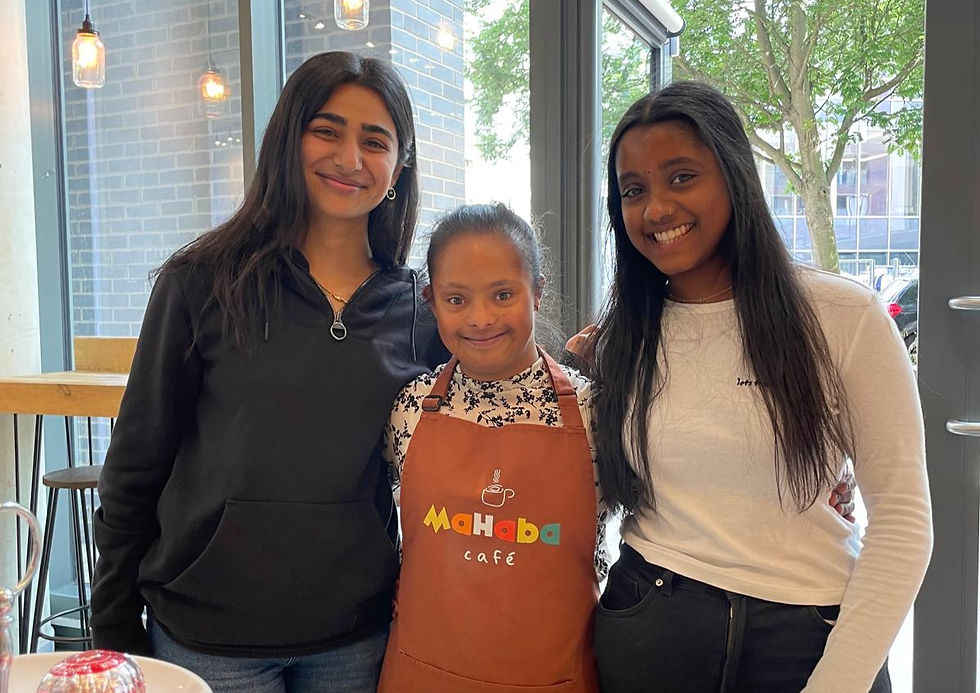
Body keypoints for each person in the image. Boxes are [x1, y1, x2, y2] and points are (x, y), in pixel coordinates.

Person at [91, 51, 446, 692]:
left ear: (400, 166)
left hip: (356, 635)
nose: (349, 158)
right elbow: (137, 464)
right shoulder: (201, 282)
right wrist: (113, 624)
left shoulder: (420, 307)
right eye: (327, 130)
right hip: (208, 638)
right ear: (288, 139)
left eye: (375, 141)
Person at [585, 81, 932, 692]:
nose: (656, 208)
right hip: (652, 624)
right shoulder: (623, 338)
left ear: (735, 175)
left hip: (810, 637)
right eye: (633, 190)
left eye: (682, 177)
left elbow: (903, 520)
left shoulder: (841, 317)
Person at [376, 203, 605, 692]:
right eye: (456, 300)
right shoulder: (410, 408)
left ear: (537, 293)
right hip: (421, 674)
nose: (480, 319)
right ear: (431, 301)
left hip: (553, 679)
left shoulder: (594, 415)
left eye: (502, 294)